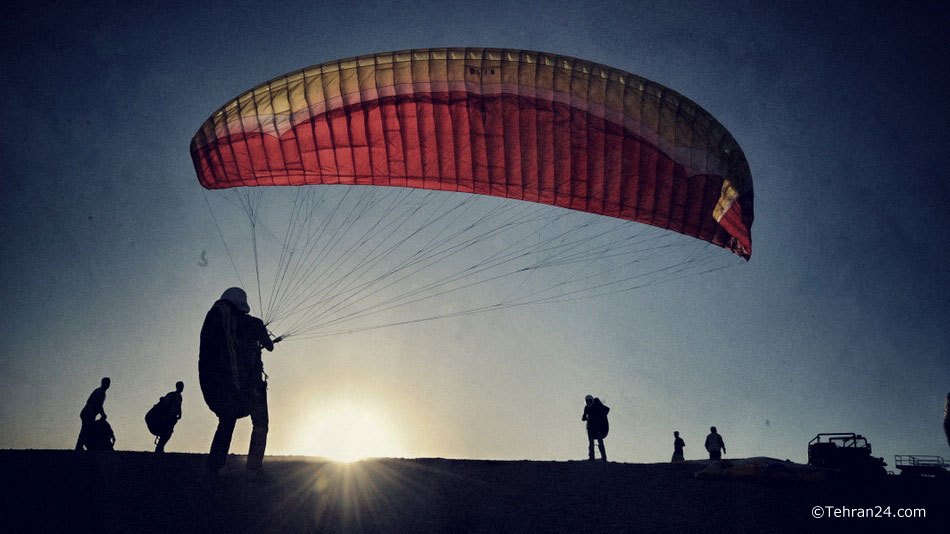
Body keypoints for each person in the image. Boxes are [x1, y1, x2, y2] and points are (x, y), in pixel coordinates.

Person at [199, 287, 275, 478]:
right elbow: (270, 346)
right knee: (260, 423)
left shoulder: (218, 317)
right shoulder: (253, 323)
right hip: (250, 384)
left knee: (226, 421)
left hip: (227, 384)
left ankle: (215, 466)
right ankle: (254, 468)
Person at [75, 377, 110, 451]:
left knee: (87, 430)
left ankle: (80, 446)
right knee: (86, 430)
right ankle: (79, 447)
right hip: (88, 413)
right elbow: (98, 405)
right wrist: (103, 414)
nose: (107, 385)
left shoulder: (101, 392)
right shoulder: (99, 392)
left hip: (90, 414)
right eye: (106, 383)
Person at [153, 381, 184, 453]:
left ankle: (160, 448)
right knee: (166, 433)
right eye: (180, 386)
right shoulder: (172, 395)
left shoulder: (179, 397)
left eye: (182, 386)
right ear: (177, 387)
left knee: (168, 433)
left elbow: (179, 406)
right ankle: (159, 448)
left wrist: (179, 414)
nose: (182, 388)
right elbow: (164, 403)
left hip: (172, 417)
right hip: (167, 417)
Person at [582, 394, 610, 462]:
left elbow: (606, 410)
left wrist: (599, 416)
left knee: (600, 441)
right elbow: (583, 416)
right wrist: (585, 418)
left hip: (599, 427)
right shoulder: (586, 408)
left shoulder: (597, 404)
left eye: (589, 401)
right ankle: (591, 457)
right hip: (591, 427)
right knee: (591, 442)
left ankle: (604, 458)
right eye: (587, 401)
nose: (588, 402)